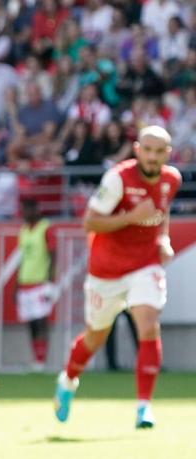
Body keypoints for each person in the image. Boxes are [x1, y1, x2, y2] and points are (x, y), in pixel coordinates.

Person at [54, 126, 179, 429]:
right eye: (147, 149)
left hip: (145, 264)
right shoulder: (118, 179)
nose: (152, 156)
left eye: (158, 151)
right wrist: (131, 218)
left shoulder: (171, 180)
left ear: (168, 153)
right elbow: (90, 222)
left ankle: (143, 407)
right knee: (95, 336)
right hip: (106, 271)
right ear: (137, 149)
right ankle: (68, 380)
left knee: (148, 325)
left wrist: (164, 239)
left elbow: (162, 215)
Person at [14, 200, 56, 371]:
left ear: (35, 210)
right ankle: (36, 359)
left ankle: (41, 361)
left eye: (26, 210)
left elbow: (53, 255)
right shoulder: (23, 231)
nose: (24, 214)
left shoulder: (45, 228)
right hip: (25, 283)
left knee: (41, 321)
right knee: (31, 323)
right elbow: (21, 259)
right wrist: (16, 285)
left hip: (40, 283)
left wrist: (50, 282)